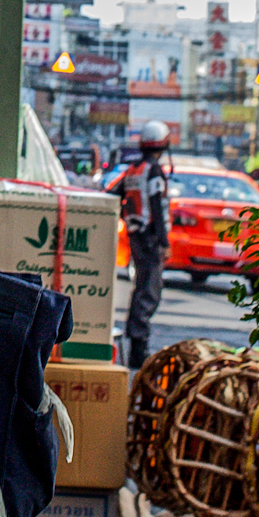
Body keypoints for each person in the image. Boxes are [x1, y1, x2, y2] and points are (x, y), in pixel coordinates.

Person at [113, 120, 172, 370]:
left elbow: (114, 194)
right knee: (149, 291)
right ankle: (139, 348)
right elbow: (156, 206)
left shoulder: (133, 170)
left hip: (136, 235)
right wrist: (164, 241)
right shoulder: (154, 171)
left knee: (141, 290)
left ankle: (136, 343)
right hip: (149, 237)